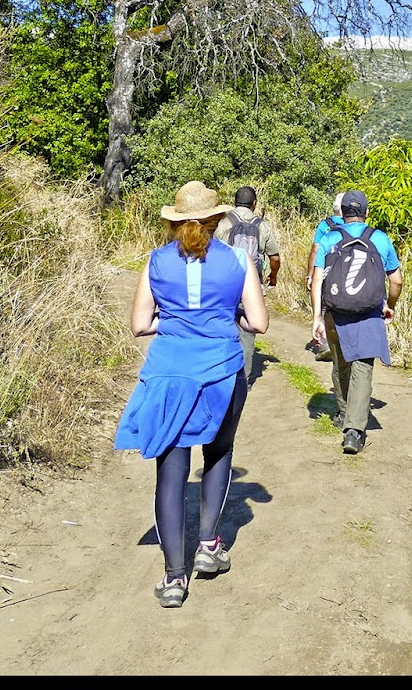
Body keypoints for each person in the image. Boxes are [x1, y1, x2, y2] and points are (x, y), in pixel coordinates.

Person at [115, 181, 269, 608]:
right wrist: (228, 316)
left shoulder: (156, 261)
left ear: (173, 222)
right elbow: (258, 323)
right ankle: (208, 546)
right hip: (222, 371)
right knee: (218, 453)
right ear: (217, 220)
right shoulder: (238, 260)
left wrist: (174, 320)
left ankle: (173, 579)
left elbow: (140, 325)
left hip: (168, 374)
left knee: (171, 471)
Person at [309, 189, 403, 455]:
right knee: (363, 367)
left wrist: (317, 317)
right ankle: (354, 431)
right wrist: (389, 305)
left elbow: (317, 280)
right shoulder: (380, 238)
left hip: (335, 312)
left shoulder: (329, 238)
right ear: (366, 212)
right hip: (369, 313)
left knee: (341, 363)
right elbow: (396, 281)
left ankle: (343, 412)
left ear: (342, 213)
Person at [214, 186, 281, 383]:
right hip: (251, 285)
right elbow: (274, 257)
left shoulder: (222, 223)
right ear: (254, 204)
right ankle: (243, 379)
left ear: (234, 202)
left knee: (222, 326)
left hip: (224, 284)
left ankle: (221, 375)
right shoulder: (262, 226)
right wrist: (273, 276)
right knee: (248, 333)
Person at [304, 192, 345, 361]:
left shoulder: (324, 225)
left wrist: (310, 275)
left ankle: (325, 343)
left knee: (323, 305)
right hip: (346, 272)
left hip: (326, 270)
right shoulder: (353, 225)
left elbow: (315, 250)